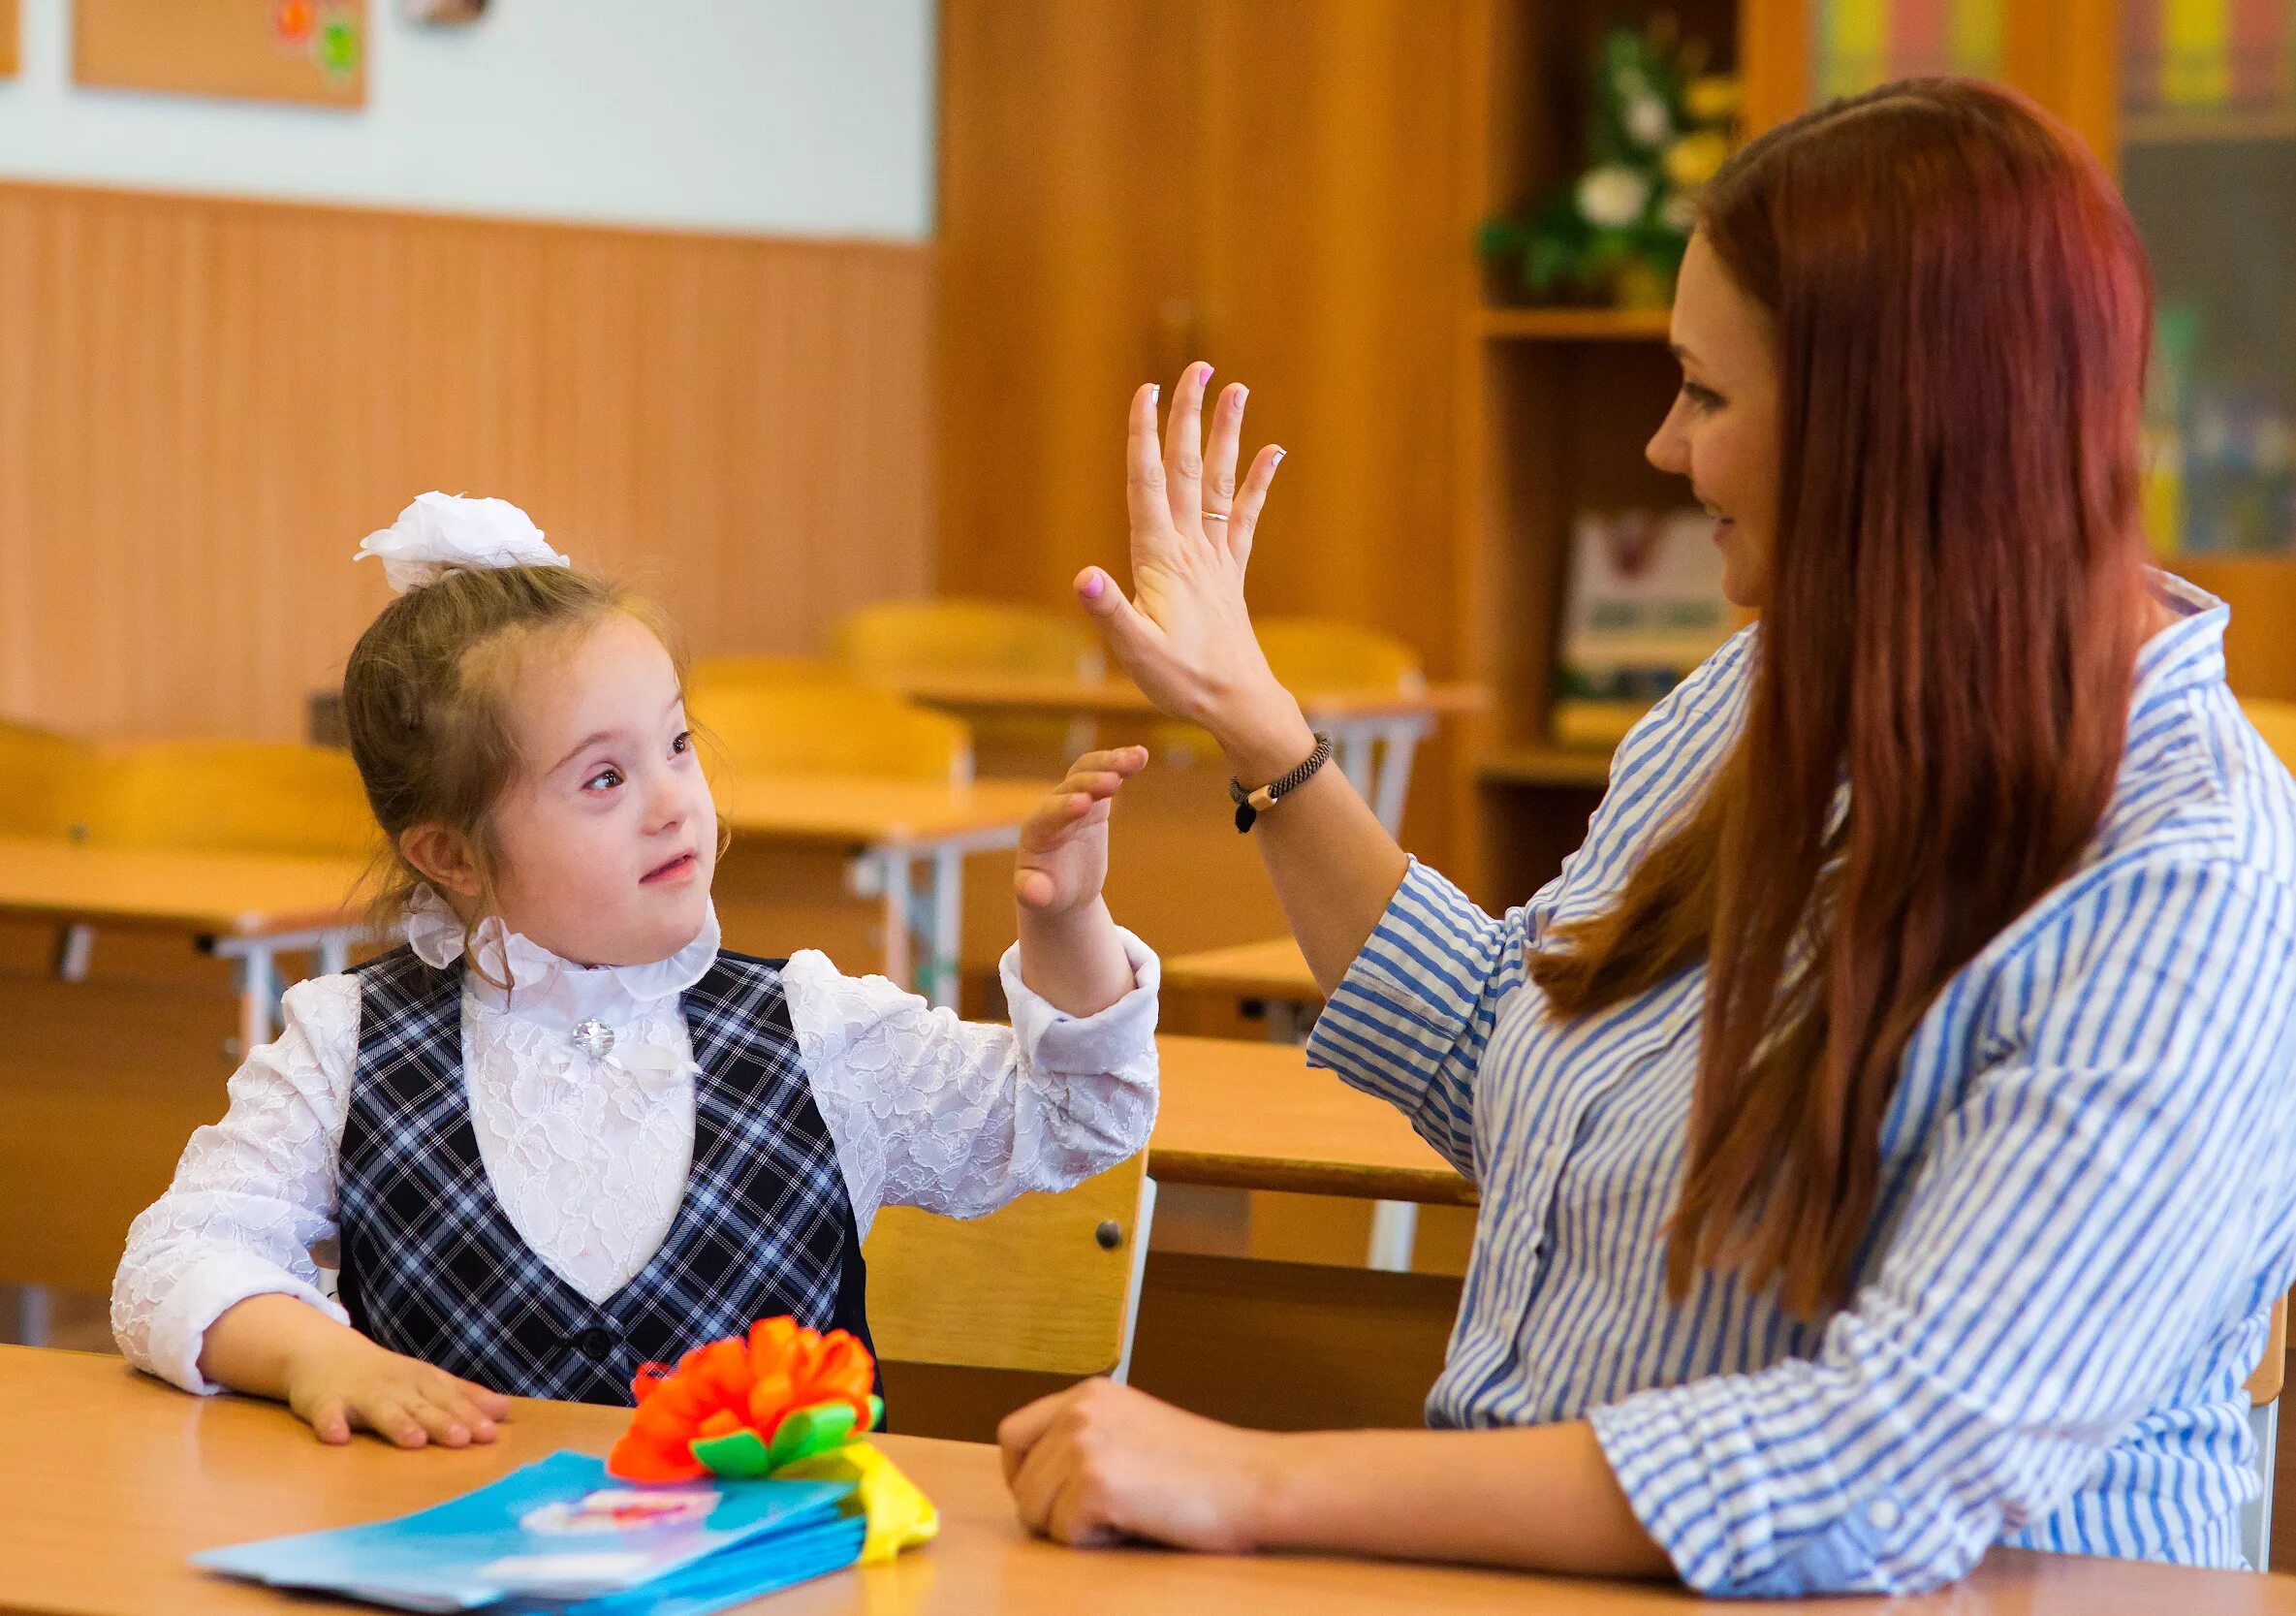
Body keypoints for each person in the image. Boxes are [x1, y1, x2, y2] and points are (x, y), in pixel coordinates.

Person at [998, 79, 2296, 1594]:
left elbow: (1892, 1458)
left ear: (1893, 425)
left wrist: (1257, 1476)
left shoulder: (2185, 876)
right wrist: (1262, 729)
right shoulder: (1764, 686)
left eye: (1706, 390)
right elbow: (1512, 1056)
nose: (1664, 449)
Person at [113, 492, 1162, 1448]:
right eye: (604, 777)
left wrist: (1066, 919)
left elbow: (1074, 1118)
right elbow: (172, 1261)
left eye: (677, 745)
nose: (672, 802)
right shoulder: (347, 1040)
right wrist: (318, 1352)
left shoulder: (815, 1028)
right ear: (452, 853)